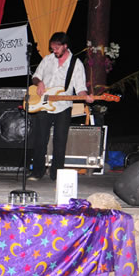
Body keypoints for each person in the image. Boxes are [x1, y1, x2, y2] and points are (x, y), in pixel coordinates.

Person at [29, 32, 94, 181]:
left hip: (63, 106)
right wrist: (39, 83)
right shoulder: (47, 59)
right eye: (52, 48)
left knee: (60, 141)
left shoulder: (75, 63)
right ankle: (37, 172)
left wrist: (86, 97)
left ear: (65, 46)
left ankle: (56, 174)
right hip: (43, 104)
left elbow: (80, 87)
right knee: (40, 139)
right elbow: (35, 76)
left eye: (57, 48)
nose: (54, 51)